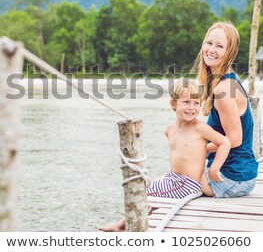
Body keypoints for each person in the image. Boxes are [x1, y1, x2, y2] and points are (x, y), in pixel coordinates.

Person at [98, 79, 231, 231]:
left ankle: (121, 225)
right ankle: (132, 222)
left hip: (188, 184)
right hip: (174, 178)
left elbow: (224, 143)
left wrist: (214, 168)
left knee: (147, 192)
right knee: (149, 184)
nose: (192, 107)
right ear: (173, 104)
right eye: (186, 102)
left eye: (196, 103)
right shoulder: (169, 130)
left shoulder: (200, 128)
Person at [193, 21, 258, 198]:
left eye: (220, 46)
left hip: (232, 178)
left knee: (169, 181)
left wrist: (199, 149)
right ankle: (125, 225)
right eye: (209, 43)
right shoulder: (226, 81)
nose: (211, 49)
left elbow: (235, 140)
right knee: (167, 180)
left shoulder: (224, 89)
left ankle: (127, 226)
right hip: (238, 174)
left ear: (230, 53)